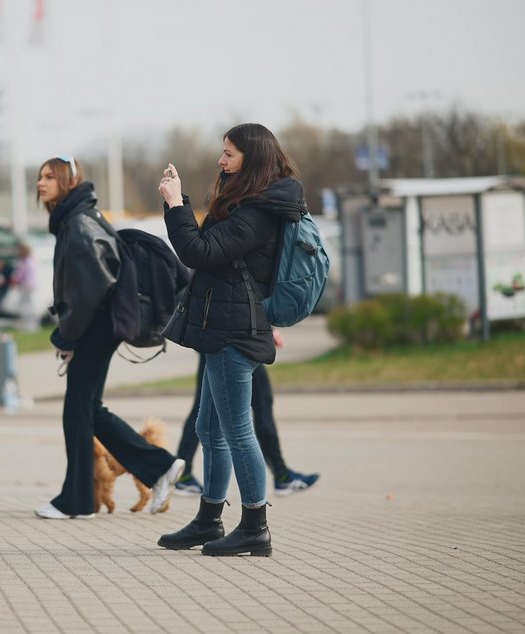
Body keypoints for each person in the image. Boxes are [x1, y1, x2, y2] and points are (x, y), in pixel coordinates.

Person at [156, 123, 306, 557]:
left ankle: (255, 525)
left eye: (229, 154)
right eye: (222, 153)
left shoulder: (258, 212)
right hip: (221, 323)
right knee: (208, 426)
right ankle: (208, 520)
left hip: (231, 329)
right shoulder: (250, 203)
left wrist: (172, 206)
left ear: (252, 160)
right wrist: (181, 203)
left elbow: (198, 251)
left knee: (237, 429)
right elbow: (207, 244)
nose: (221, 161)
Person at [34, 154, 185, 520]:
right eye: (39, 177)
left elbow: (90, 288)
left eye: (50, 177)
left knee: (77, 411)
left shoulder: (78, 223)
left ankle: (78, 500)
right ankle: (158, 468)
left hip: (95, 325)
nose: (41, 183)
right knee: (89, 410)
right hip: (100, 323)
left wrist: (67, 338)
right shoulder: (78, 217)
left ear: (69, 181)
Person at [174, 329, 319, 496]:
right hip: (235, 335)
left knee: (206, 408)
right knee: (257, 404)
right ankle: (281, 476)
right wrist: (267, 328)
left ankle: (183, 475)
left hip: (220, 333)